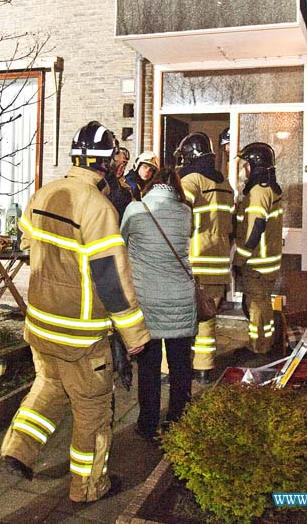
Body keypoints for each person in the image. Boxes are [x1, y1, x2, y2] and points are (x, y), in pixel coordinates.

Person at [0, 121, 150, 503]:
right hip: (80, 336)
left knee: (48, 387)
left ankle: (17, 449)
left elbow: (25, 241)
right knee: (93, 412)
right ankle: (87, 486)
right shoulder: (97, 208)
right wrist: (135, 336)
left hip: (40, 325)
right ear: (107, 164)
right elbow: (111, 280)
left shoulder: (44, 193)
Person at [120, 165, 195, 441]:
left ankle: (148, 423)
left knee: (149, 368)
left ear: (151, 185)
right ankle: (179, 419)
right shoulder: (186, 212)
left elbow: (122, 244)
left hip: (147, 300)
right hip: (181, 299)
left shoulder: (135, 210)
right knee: (180, 365)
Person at [176, 132, 234, 384]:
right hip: (218, 262)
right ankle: (203, 368)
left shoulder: (191, 181)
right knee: (207, 317)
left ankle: (171, 370)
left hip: (192, 261)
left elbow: (178, 215)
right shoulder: (225, 184)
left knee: (178, 318)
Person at [233, 142, 284, 354]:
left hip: (256, 264)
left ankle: (259, 348)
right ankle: (267, 343)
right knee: (261, 305)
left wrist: (239, 259)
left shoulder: (259, 191)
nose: (243, 169)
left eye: (245, 165)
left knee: (257, 308)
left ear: (255, 165)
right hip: (267, 262)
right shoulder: (269, 188)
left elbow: (255, 226)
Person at [105, 144, 132, 218]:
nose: (121, 168)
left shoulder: (126, 186)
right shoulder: (104, 183)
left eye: (124, 165)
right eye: (118, 164)